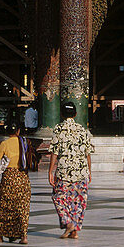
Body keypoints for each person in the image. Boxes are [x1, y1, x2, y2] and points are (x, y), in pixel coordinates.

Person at [48, 101, 94, 239]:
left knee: (58, 197)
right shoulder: (82, 129)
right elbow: (88, 152)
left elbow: (54, 152)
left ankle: (68, 223)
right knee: (78, 201)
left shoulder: (58, 129)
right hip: (81, 171)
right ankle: (74, 229)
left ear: (61, 114)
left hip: (64, 171)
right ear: (75, 113)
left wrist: (50, 171)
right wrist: (89, 171)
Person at [0, 122, 32, 244]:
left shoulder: (5, 144)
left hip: (9, 177)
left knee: (5, 206)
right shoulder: (25, 143)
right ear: (18, 131)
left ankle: (0, 235)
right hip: (23, 176)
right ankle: (23, 236)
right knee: (22, 206)